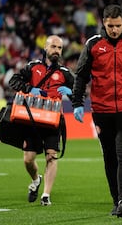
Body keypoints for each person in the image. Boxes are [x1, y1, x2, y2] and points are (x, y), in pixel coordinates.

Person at [72, 4, 122, 218]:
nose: (114, 30)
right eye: (110, 26)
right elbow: (81, 76)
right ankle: (117, 202)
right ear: (103, 23)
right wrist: (77, 102)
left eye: (117, 25)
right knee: (109, 157)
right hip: (102, 110)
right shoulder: (93, 45)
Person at [9, 35, 74, 206]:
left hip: (53, 120)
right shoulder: (33, 67)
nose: (56, 51)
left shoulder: (65, 73)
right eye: (53, 47)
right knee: (28, 159)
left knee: (51, 157)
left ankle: (46, 195)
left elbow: (81, 90)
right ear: (45, 48)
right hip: (33, 119)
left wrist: (72, 92)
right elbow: (13, 81)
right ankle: (36, 179)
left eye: (59, 48)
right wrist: (30, 88)